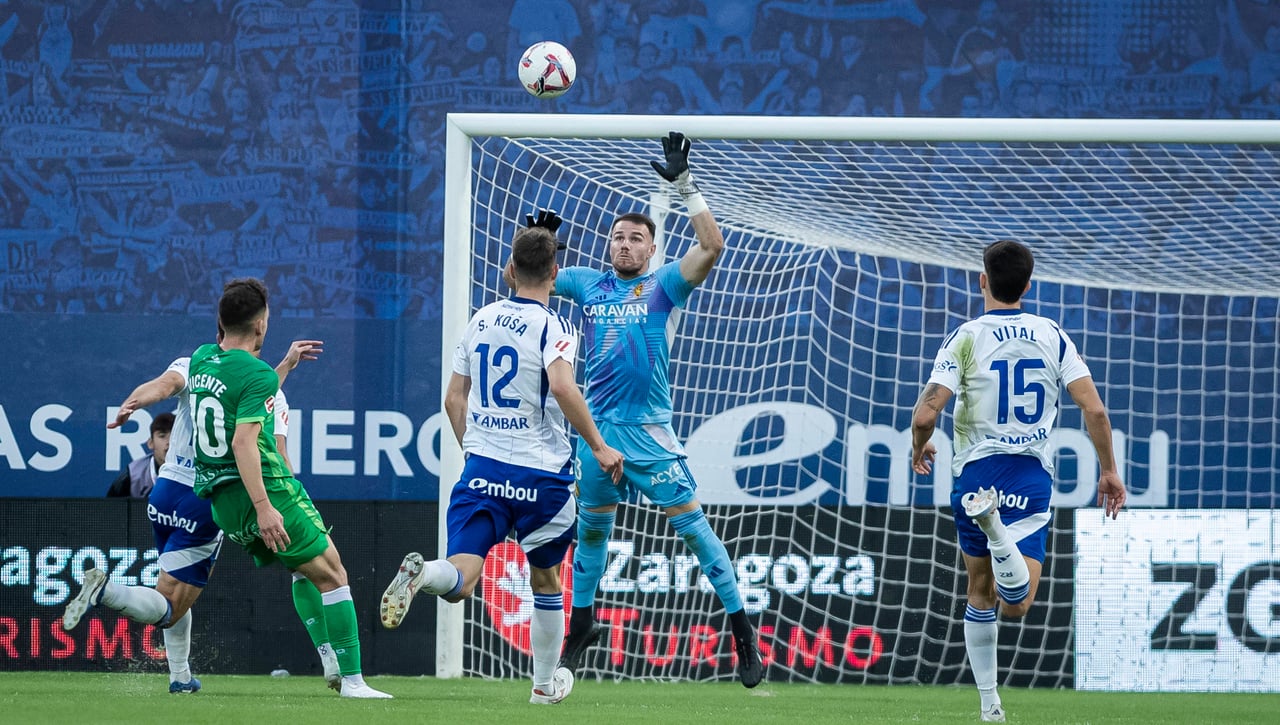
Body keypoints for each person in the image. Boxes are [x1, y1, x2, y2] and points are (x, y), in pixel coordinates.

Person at [378, 218, 623, 705]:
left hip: (483, 470)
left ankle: (423, 573)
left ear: (510, 268)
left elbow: (453, 399)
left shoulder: (480, 318)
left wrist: (476, 448)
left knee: (461, 580)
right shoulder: (556, 327)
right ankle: (542, 688)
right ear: (556, 272)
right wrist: (597, 445)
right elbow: (560, 385)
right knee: (547, 579)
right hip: (541, 476)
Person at [552, 132, 764, 687]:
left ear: (652, 249)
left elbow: (713, 247)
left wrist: (687, 187)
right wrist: (541, 239)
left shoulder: (662, 287)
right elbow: (524, 277)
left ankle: (742, 631)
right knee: (592, 535)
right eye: (618, 238)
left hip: (649, 436)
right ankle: (581, 625)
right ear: (608, 246)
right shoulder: (585, 285)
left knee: (696, 533)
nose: (625, 244)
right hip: (595, 435)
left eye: (636, 239)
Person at [910, 240, 1126, 723]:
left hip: (974, 474)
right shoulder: (1052, 334)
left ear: (982, 280)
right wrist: (1109, 469)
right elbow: (1093, 408)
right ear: (1028, 286)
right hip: (1028, 475)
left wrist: (918, 445)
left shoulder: (964, 336)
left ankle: (990, 706)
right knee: (1018, 604)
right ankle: (999, 532)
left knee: (979, 591)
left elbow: (927, 412)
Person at [63, 338, 330, 694]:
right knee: (171, 606)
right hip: (206, 496)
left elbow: (162, 386)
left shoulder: (194, 365)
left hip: (164, 494)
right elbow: (269, 436)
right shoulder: (260, 384)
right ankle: (106, 590)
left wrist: (133, 402)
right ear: (257, 333)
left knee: (173, 587)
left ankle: (180, 677)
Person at [188, 278, 390, 699]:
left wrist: (283, 367)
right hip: (263, 490)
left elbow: (239, 395)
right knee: (334, 574)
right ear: (260, 324)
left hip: (222, 503)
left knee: (302, 571)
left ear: (221, 323)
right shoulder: (256, 374)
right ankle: (352, 680)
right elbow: (242, 439)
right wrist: (264, 506)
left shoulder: (202, 360)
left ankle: (328, 656)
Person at [106, 411, 173, 498]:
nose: (169, 442)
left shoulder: (194, 471)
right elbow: (110, 508)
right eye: (162, 436)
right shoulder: (133, 475)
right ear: (150, 443)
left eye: (174, 437)